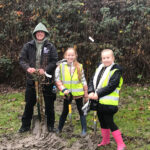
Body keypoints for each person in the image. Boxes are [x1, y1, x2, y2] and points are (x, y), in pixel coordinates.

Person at [19, 22, 58, 133]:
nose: (40, 34)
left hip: (46, 80)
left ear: (45, 34)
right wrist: (28, 68)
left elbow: (54, 61)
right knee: (29, 103)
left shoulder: (50, 46)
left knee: (49, 103)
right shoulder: (28, 46)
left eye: (42, 32)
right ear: (35, 34)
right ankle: (25, 126)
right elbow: (22, 59)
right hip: (32, 79)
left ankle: (50, 125)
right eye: (38, 32)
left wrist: (45, 70)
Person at [88, 49, 126, 150]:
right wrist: (91, 91)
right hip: (98, 101)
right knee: (102, 121)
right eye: (104, 58)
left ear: (113, 58)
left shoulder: (116, 71)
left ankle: (121, 144)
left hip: (109, 102)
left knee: (109, 121)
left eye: (108, 57)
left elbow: (111, 86)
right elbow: (92, 80)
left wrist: (98, 93)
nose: (106, 60)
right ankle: (105, 140)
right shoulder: (99, 68)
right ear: (101, 59)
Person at [55, 47, 88, 136]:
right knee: (65, 111)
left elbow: (83, 80)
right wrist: (63, 89)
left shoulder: (79, 66)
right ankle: (59, 128)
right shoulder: (60, 66)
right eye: (68, 55)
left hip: (78, 93)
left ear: (76, 56)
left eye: (72, 55)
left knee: (81, 110)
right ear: (65, 56)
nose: (70, 57)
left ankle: (84, 129)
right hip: (67, 94)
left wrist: (86, 93)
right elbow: (57, 79)